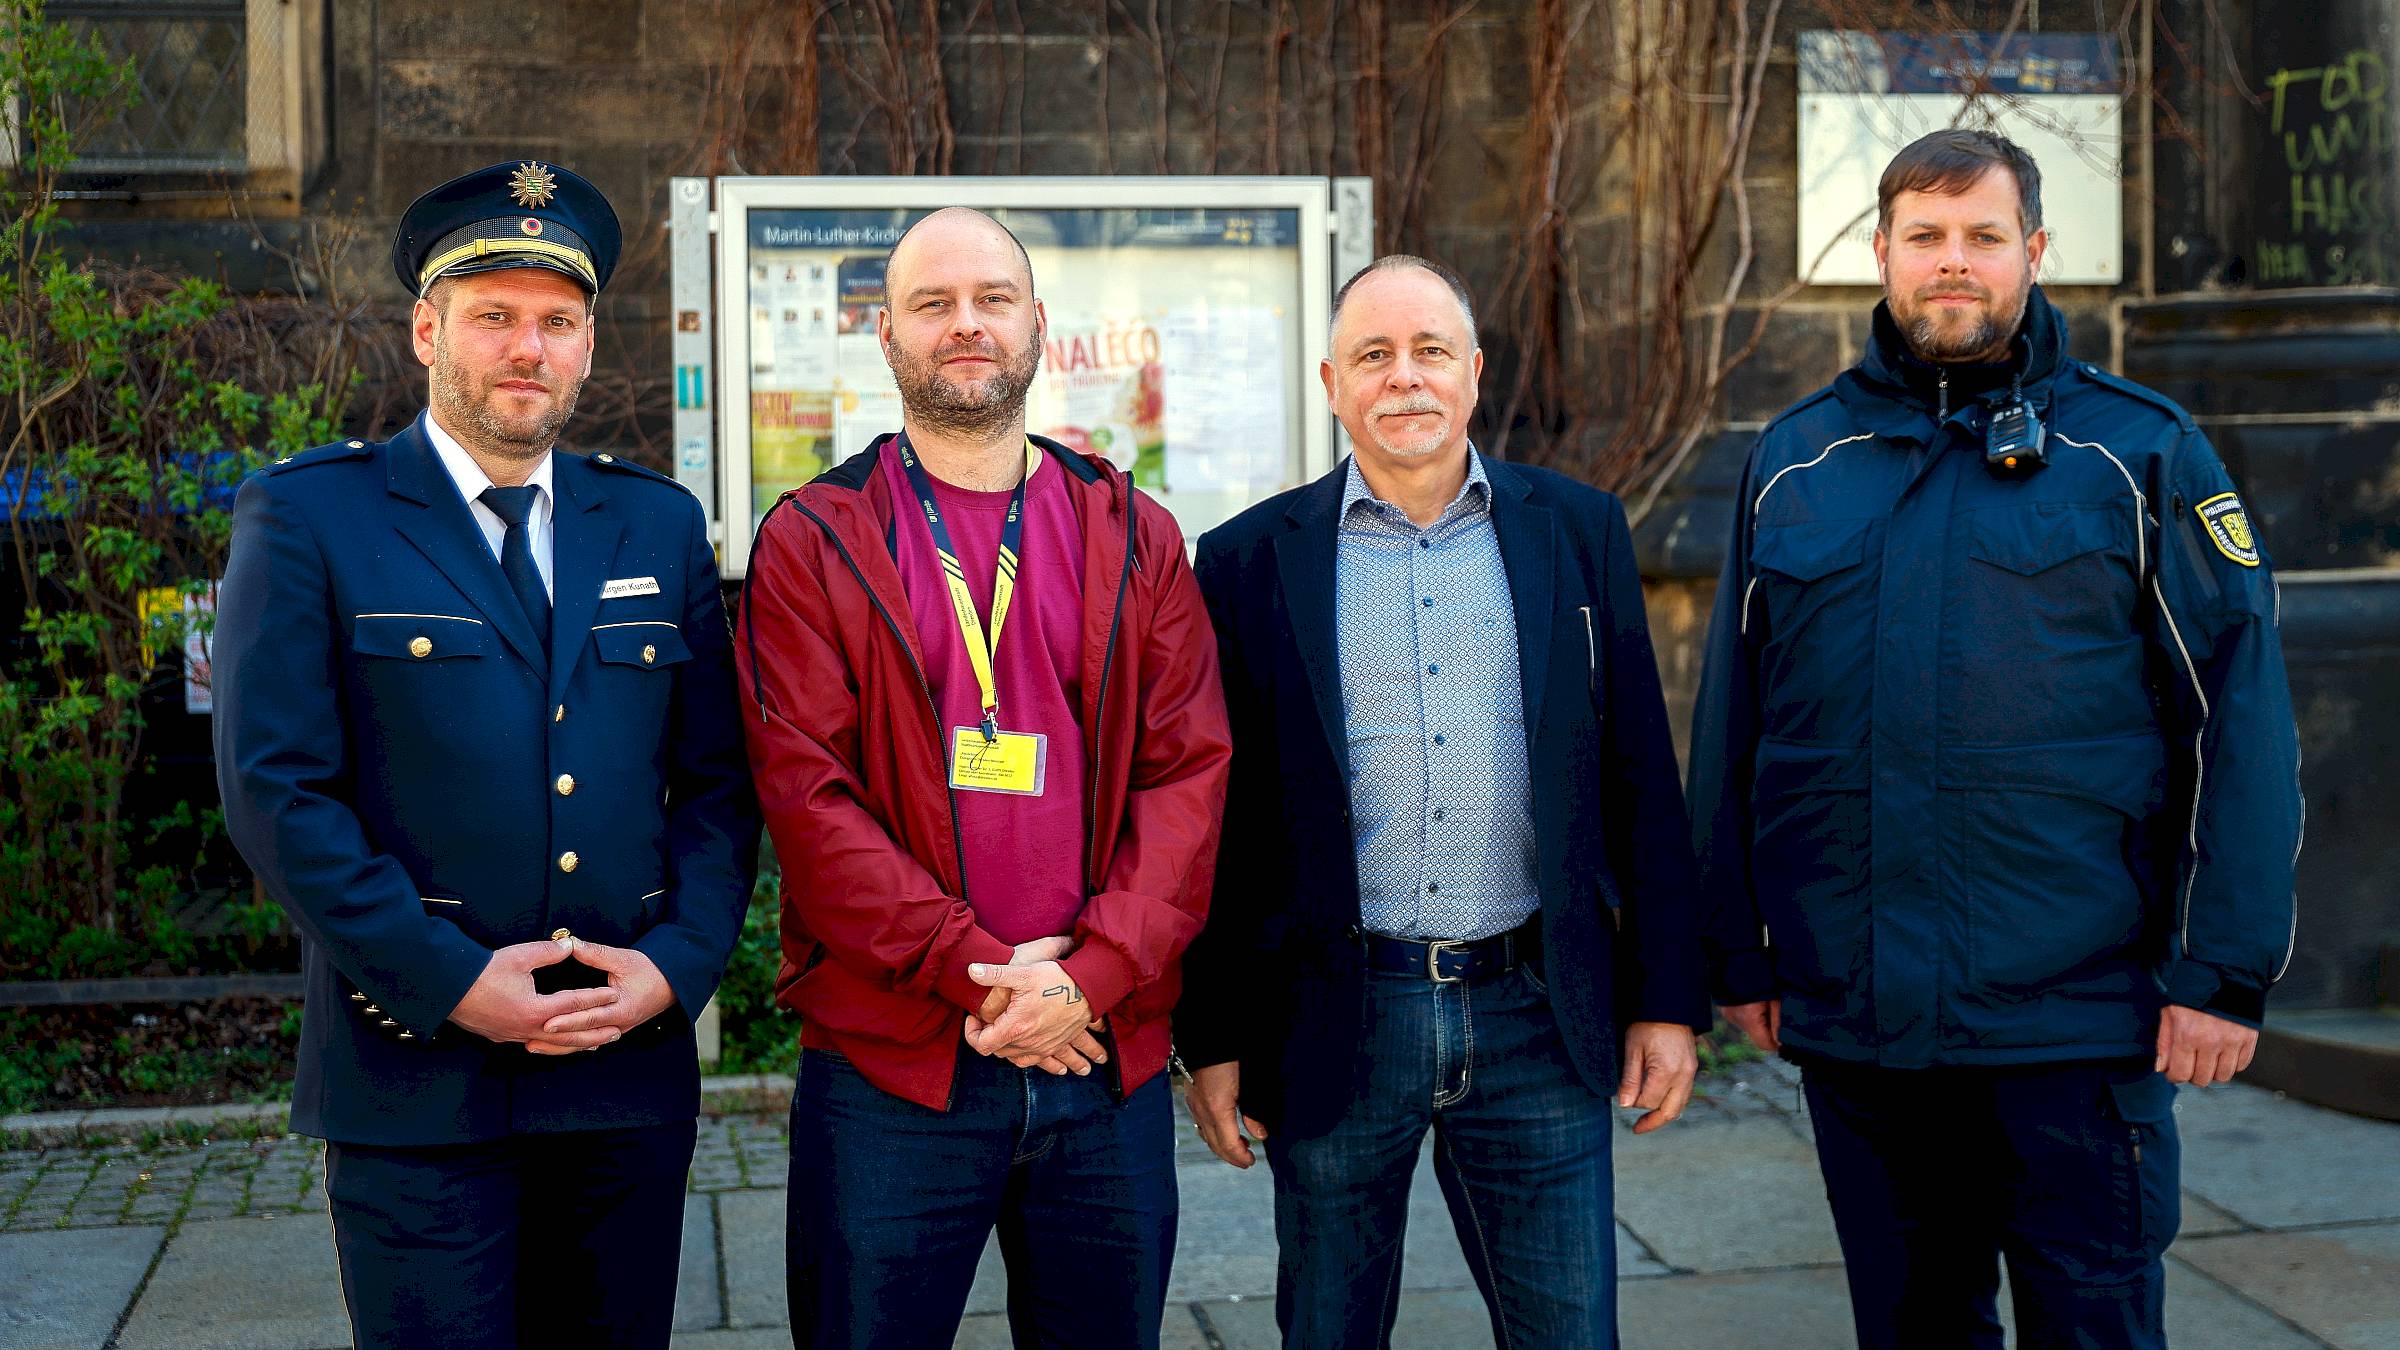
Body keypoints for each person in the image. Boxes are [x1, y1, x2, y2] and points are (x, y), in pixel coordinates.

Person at [1689, 129, 2303, 1349]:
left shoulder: (2141, 452)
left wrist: (2224, 971)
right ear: (1881, 253)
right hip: (1866, 1033)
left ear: (2033, 251)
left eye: (1982, 236)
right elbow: (1736, 727)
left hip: (2076, 1027)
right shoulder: (1796, 460)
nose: (1952, 262)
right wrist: (1737, 956)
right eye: (1926, 237)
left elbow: (2242, 719)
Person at [213, 161, 760, 1349]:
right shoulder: (313, 515)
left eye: (557, 322)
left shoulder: (655, 521)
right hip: (416, 1077)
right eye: (495, 316)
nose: (529, 348)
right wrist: (454, 982)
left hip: (624, 1077)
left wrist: (676, 966)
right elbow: (275, 791)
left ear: (587, 342)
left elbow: (720, 783)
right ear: (426, 328)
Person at [1178, 255, 1708, 1348]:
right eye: (1375, 355)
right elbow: (1218, 829)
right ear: (1332, 382)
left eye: (1429, 352)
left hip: (1535, 1013)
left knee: (1568, 1331)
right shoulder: (1243, 563)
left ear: (1473, 372)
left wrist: (1666, 1000)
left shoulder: (1578, 530)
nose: (1404, 378)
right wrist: (1213, 1036)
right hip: (1336, 1018)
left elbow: (1640, 776)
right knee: (1328, 1330)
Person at [736, 207, 1232, 1349]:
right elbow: (809, 803)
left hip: (1098, 1063)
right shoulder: (815, 538)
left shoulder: (1131, 529)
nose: (967, 324)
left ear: (1039, 326)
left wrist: (1094, 974)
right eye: (933, 302)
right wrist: (994, 983)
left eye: (992, 299)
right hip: (894, 1068)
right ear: (885, 333)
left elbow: (1189, 774)